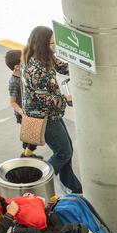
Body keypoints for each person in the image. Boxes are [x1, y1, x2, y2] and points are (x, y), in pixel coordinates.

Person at [21, 26, 82, 193]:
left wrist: (82, 67)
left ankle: (73, 186)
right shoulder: (35, 69)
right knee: (63, 152)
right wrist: (66, 99)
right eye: (52, 43)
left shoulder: (44, 55)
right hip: (43, 116)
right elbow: (43, 99)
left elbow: (62, 67)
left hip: (51, 114)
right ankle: (39, 184)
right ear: (43, 44)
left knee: (66, 148)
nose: (55, 46)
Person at [5, 49, 42, 159]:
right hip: (25, 114)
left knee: (28, 136)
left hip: (29, 110)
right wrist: (22, 113)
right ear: (16, 66)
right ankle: (26, 156)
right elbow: (12, 102)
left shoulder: (22, 74)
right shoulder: (14, 82)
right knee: (35, 136)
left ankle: (27, 154)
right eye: (23, 60)